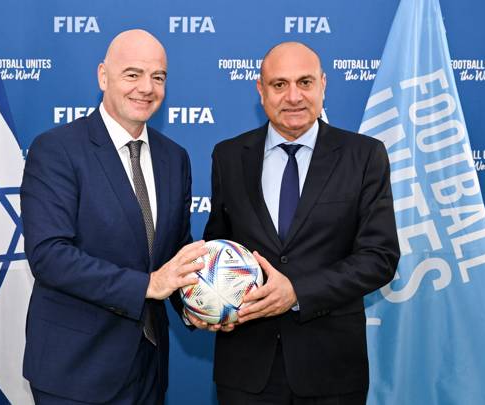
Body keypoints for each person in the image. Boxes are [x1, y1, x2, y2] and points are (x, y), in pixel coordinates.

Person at [188, 41, 400, 404]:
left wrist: (298, 292)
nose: (293, 97)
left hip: (331, 370)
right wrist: (197, 305)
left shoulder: (364, 156)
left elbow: (379, 258)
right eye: (279, 84)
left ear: (323, 84)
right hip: (245, 371)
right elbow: (216, 247)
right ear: (261, 90)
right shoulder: (228, 156)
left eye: (305, 82)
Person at [21, 29, 205, 404]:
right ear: (103, 76)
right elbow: (49, 256)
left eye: (158, 77)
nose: (147, 88)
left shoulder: (175, 157)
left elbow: (173, 252)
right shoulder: (56, 150)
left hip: (149, 369)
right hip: (75, 371)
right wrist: (146, 286)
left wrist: (197, 304)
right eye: (132, 74)